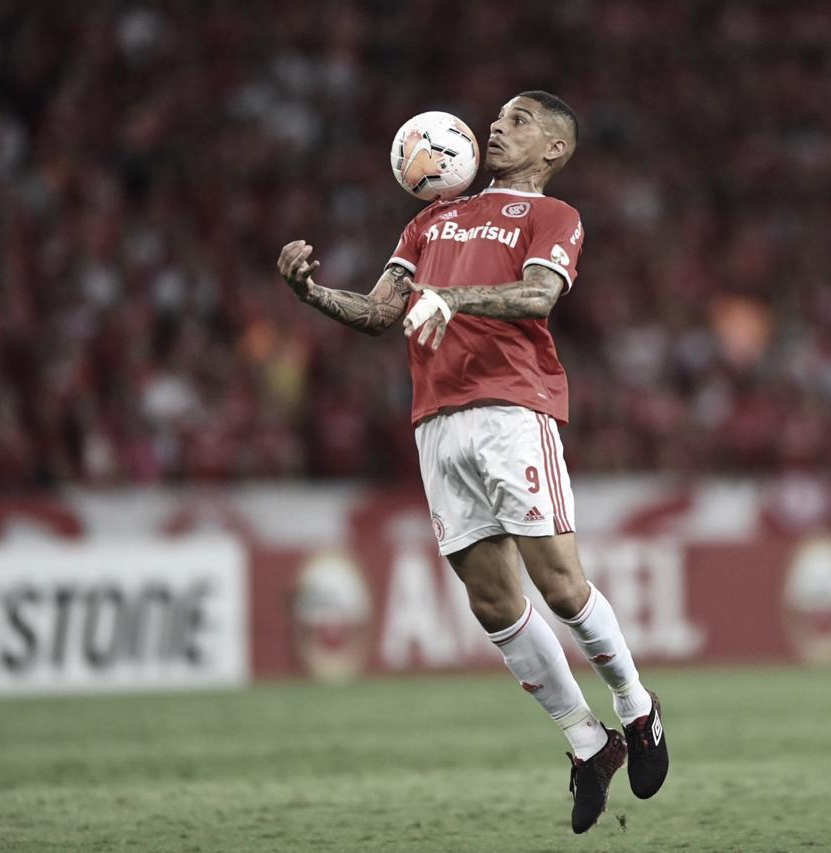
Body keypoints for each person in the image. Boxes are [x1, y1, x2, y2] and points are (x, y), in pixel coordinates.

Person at [276, 91, 668, 834]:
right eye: (499, 117)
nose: (498, 125)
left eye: (520, 120)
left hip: (514, 411)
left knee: (558, 582)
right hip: (436, 421)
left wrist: (451, 299)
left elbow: (538, 296)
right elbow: (381, 312)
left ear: (554, 148)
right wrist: (311, 293)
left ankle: (636, 704)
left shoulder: (554, 217)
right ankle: (589, 744)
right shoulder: (429, 219)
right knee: (492, 603)